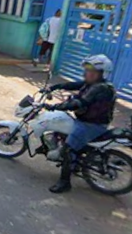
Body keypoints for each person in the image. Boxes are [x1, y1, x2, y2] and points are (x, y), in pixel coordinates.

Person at [44, 54, 116, 193]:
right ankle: (76, 164)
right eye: (87, 70)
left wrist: (54, 107)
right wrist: (55, 87)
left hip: (92, 125)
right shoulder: (93, 84)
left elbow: (80, 103)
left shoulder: (100, 88)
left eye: (92, 72)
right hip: (86, 121)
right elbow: (75, 84)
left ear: (102, 74)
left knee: (67, 150)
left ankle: (64, 183)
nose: (87, 74)